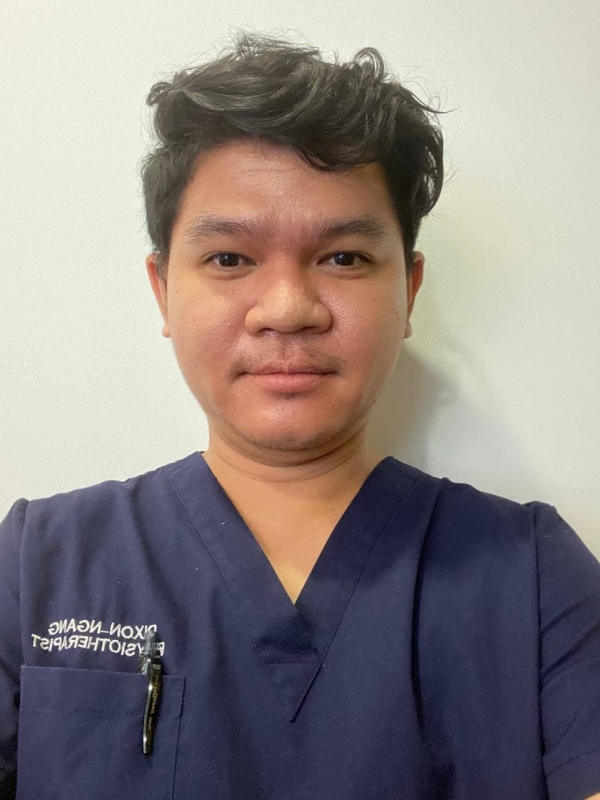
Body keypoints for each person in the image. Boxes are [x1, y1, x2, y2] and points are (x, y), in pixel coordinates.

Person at [1, 29, 599, 800]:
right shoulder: (35, 565)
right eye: (230, 259)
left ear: (408, 291)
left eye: (344, 257)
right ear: (163, 291)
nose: (287, 308)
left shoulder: (533, 576)